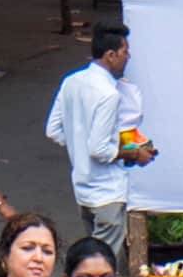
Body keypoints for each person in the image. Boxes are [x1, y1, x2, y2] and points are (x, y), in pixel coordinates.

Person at [43, 20, 156, 259]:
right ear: (111, 55)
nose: (129, 57)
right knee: (101, 262)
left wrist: (77, 143)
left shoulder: (71, 82)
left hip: (83, 188)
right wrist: (135, 153)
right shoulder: (108, 94)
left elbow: (53, 130)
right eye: (125, 52)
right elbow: (100, 149)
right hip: (107, 191)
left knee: (93, 253)